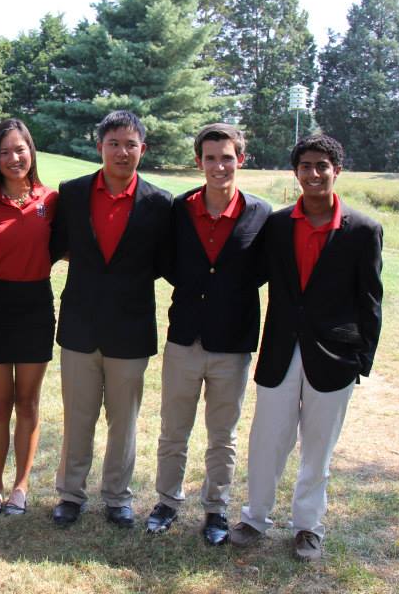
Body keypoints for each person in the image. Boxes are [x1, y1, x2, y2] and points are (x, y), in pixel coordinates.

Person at [229, 134, 383, 561]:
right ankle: (254, 517)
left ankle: (308, 527)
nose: (313, 174)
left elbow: (371, 301)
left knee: (318, 447)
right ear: (295, 173)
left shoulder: (363, 230)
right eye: (306, 167)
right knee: (266, 440)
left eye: (322, 166)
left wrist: (361, 361)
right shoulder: (276, 225)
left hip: (334, 358)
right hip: (280, 350)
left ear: (337, 170)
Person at [147, 124, 271, 543]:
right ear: (199, 162)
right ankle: (166, 500)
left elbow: (263, 272)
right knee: (173, 428)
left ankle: (216, 510)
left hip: (232, 344)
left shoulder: (261, 215)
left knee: (223, 435)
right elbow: (166, 261)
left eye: (227, 157)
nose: (219, 165)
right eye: (211, 158)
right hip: (185, 338)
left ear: (241, 159)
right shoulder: (178, 210)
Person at [49, 110, 173, 528]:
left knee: (124, 421)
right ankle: (70, 493)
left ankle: (118, 497)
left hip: (131, 327)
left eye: (131, 144)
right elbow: (60, 246)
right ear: (100, 146)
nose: (122, 152)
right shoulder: (72, 192)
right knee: (78, 416)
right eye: (114, 143)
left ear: (143, 149)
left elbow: (161, 261)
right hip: (80, 324)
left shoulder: (160, 203)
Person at [0, 119, 57, 517]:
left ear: (31, 152)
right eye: (4, 151)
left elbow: (64, 245)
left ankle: (20, 488)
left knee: (27, 402)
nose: (13, 158)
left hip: (37, 303)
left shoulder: (51, 199)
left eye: (19, 149)